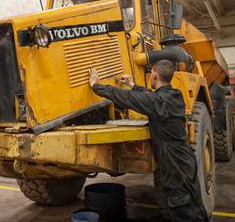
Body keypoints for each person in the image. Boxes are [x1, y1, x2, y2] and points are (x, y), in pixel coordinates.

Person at [89, 59, 209, 222]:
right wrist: (132, 84)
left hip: (175, 164)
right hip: (183, 159)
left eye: (151, 74)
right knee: (192, 202)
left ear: (155, 75)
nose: (150, 76)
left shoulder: (157, 102)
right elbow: (150, 96)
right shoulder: (175, 95)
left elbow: (127, 98)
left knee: (183, 208)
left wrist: (96, 86)